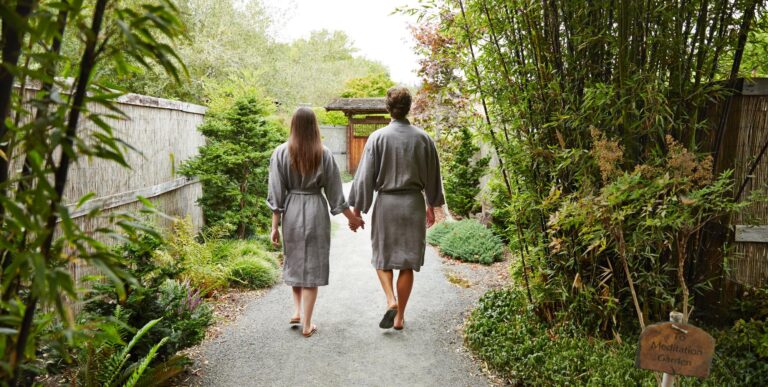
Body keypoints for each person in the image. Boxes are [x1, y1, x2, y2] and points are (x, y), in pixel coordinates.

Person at [348, 86, 444, 330]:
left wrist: (357, 210)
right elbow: (433, 176)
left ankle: (390, 299)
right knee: (407, 262)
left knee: (383, 257)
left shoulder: (378, 138)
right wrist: (431, 204)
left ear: (388, 108)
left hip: (387, 204)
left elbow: (364, 177)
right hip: (413, 204)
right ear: (409, 107)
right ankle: (400, 317)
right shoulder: (424, 139)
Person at [267, 107, 364, 337]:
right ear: (314, 127)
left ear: (293, 125)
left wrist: (274, 226)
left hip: (291, 211)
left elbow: (276, 195)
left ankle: (298, 311)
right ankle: (306, 322)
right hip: (315, 210)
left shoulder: (280, 153)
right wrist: (354, 219)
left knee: (295, 259)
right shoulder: (324, 153)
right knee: (312, 265)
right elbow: (336, 196)